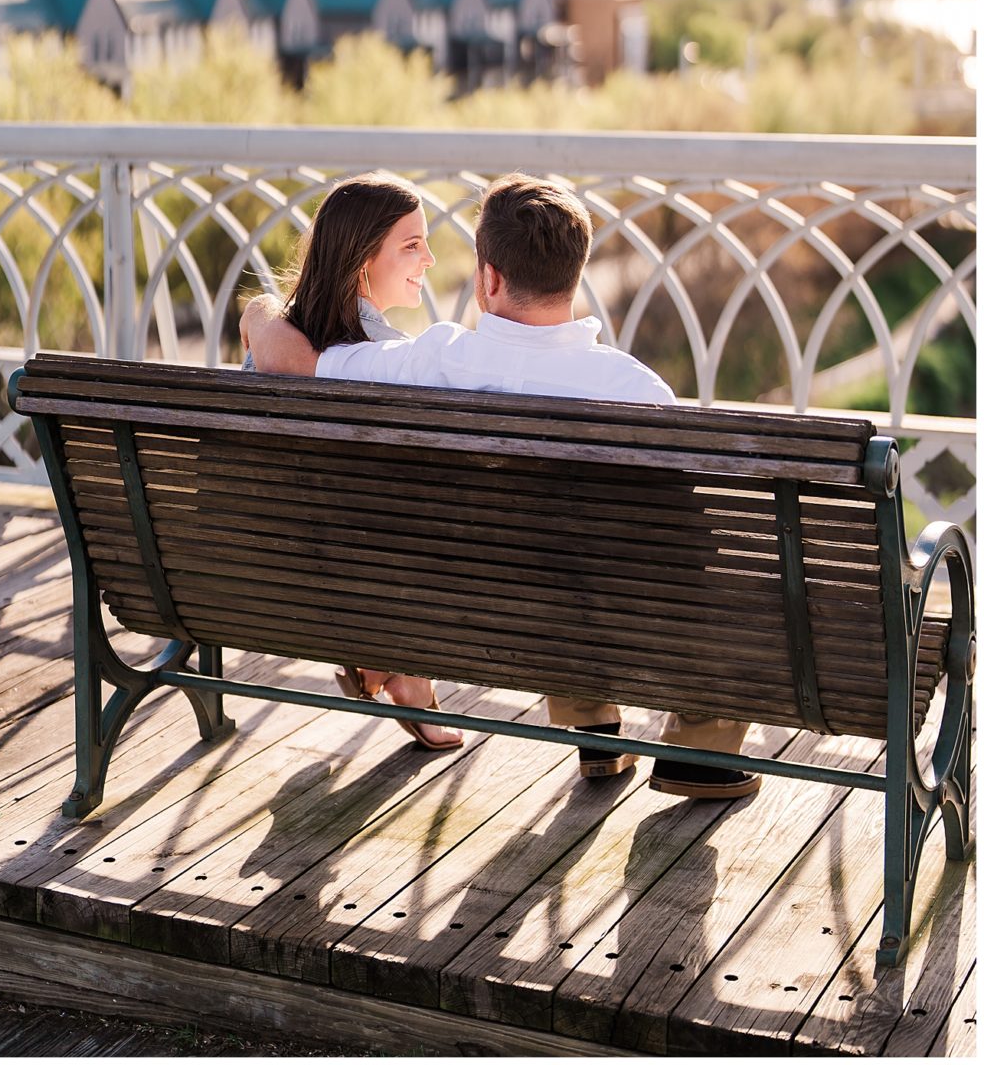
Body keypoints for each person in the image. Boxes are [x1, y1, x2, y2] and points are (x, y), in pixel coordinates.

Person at [242, 173, 758, 799]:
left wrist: (260, 312)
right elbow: (687, 547)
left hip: (497, 611)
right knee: (676, 559)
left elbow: (298, 362)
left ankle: (596, 727)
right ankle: (699, 752)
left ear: (487, 279)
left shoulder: (427, 362)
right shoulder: (639, 391)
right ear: (575, 273)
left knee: (554, 558)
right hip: (609, 612)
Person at [243, 173, 463, 754]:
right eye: (411, 244)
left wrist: (258, 313)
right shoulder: (382, 360)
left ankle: (382, 664)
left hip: (237, 570)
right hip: (344, 579)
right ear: (363, 262)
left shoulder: (277, 340)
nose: (430, 257)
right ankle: (402, 673)